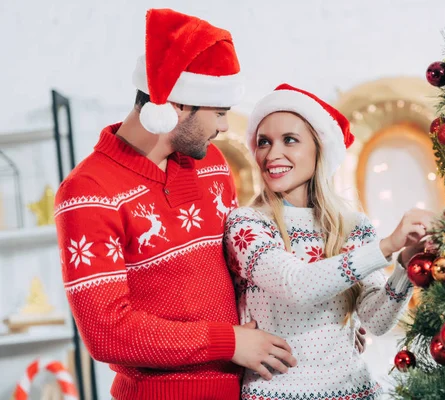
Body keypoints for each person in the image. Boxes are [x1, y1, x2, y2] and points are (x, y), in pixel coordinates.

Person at [54, 9, 297, 400]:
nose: (223, 127)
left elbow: (246, 272)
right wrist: (228, 342)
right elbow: (106, 332)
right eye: (218, 112)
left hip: (248, 389)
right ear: (176, 104)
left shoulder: (212, 166)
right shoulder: (87, 192)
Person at [224, 84, 435, 399]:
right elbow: (297, 285)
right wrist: (386, 246)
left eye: (290, 140)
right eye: (264, 142)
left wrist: (405, 264)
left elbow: (376, 321)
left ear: (318, 147)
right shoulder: (247, 224)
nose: (272, 154)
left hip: (355, 390)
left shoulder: (353, 226)